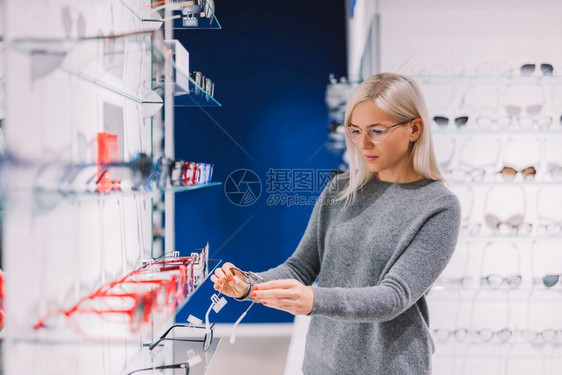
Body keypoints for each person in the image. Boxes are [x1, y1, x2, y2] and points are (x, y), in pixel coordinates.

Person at [210, 72, 461, 374]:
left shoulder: (439, 206)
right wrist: (248, 285)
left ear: (414, 129)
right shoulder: (340, 189)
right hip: (321, 364)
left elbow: (393, 297)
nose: (363, 143)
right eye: (355, 131)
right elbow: (300, 268)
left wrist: (314, 299)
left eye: (377, 131)